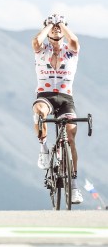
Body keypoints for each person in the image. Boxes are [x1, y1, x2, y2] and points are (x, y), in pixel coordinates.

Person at [32, 13, 83, 204]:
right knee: (39, 112)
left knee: (70, 136)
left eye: (59, 27)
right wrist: (48, 25)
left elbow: (75, 40)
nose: (55, 28)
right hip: (45, 96)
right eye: (52, 27)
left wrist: (61, 24)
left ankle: (74, 186)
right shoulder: (41, 50)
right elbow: (37, 40)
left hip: (65, 98)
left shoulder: (71, 50)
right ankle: (43, 149)